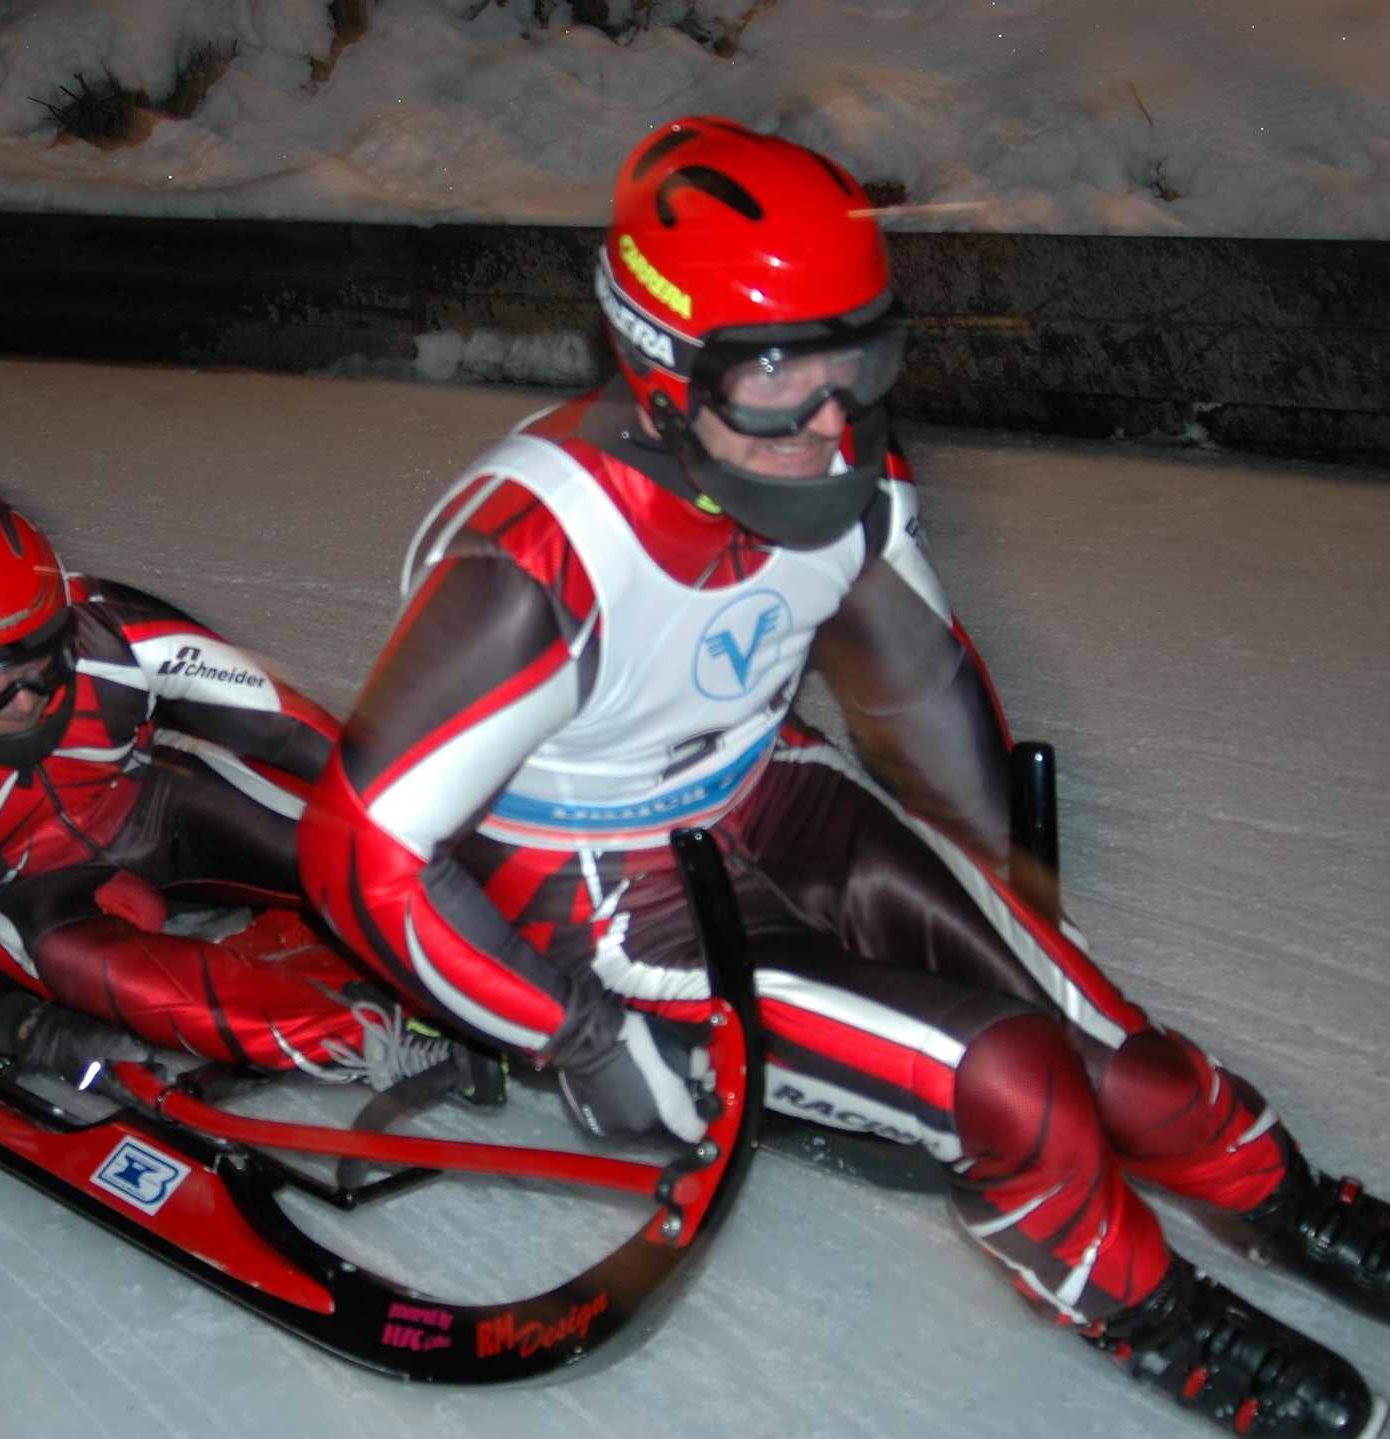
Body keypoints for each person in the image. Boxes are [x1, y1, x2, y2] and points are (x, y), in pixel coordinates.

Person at [297, 117, 1388, 1438]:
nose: (828, 421)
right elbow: (360, 848)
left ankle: (1296, 1200)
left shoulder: (840, 462)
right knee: (1015, 1080)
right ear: (657, 368)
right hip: (598, 886)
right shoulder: (540, 561)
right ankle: (1150, 1311)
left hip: (773, 787)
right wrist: (582, 1033)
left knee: (1124, 1058)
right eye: (776, 379)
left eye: (857, 361)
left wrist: (1010, 894)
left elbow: (912, 678)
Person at [0, 478, 494, 1102]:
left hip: (151, 807)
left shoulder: (110, 628)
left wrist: (453, 828)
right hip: (38, 892)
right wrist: (28, 1028)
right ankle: (371, 1040)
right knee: (82, 961)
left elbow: (293, 731)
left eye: (44, 663)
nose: (25, 702)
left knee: (342, 831)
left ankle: (504, 927)